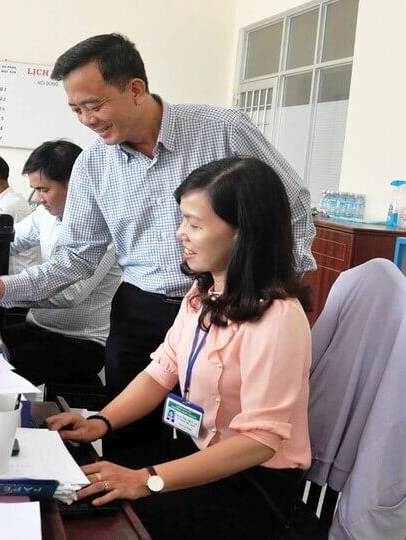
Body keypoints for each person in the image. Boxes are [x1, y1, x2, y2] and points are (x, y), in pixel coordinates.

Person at [0, 33, 315, 451]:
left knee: (221, 435)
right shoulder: (92, 165)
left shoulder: (222, 130)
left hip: (231, 308)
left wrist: (272, 289)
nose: (87, 120)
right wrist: (4, 288)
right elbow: (75, 258)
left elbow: (292, 204)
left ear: (136, 89)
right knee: (127, 443)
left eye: (94, 105)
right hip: (141, 313)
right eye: (76, 110)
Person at [46, 156, 312, 539]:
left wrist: (147, 480)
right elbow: (161, 371)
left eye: (194, 224)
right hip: (199, 454)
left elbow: (259, 441)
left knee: (100, 518)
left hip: (251, 483)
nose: (180, 233)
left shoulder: (278, 318)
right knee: (74, 489)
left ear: (243, 232)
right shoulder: (203, 293)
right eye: (182, 220)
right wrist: (100, 422)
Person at [2, 140, 122, 387]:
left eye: (44, 190)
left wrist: (0, 290)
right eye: (35, 190)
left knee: (0, 371)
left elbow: (70, 294)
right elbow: (9, 242)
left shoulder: (104, 227)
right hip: (37, 327)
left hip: (80, 342)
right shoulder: (45, 215)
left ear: (76, 183)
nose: (38, 199)